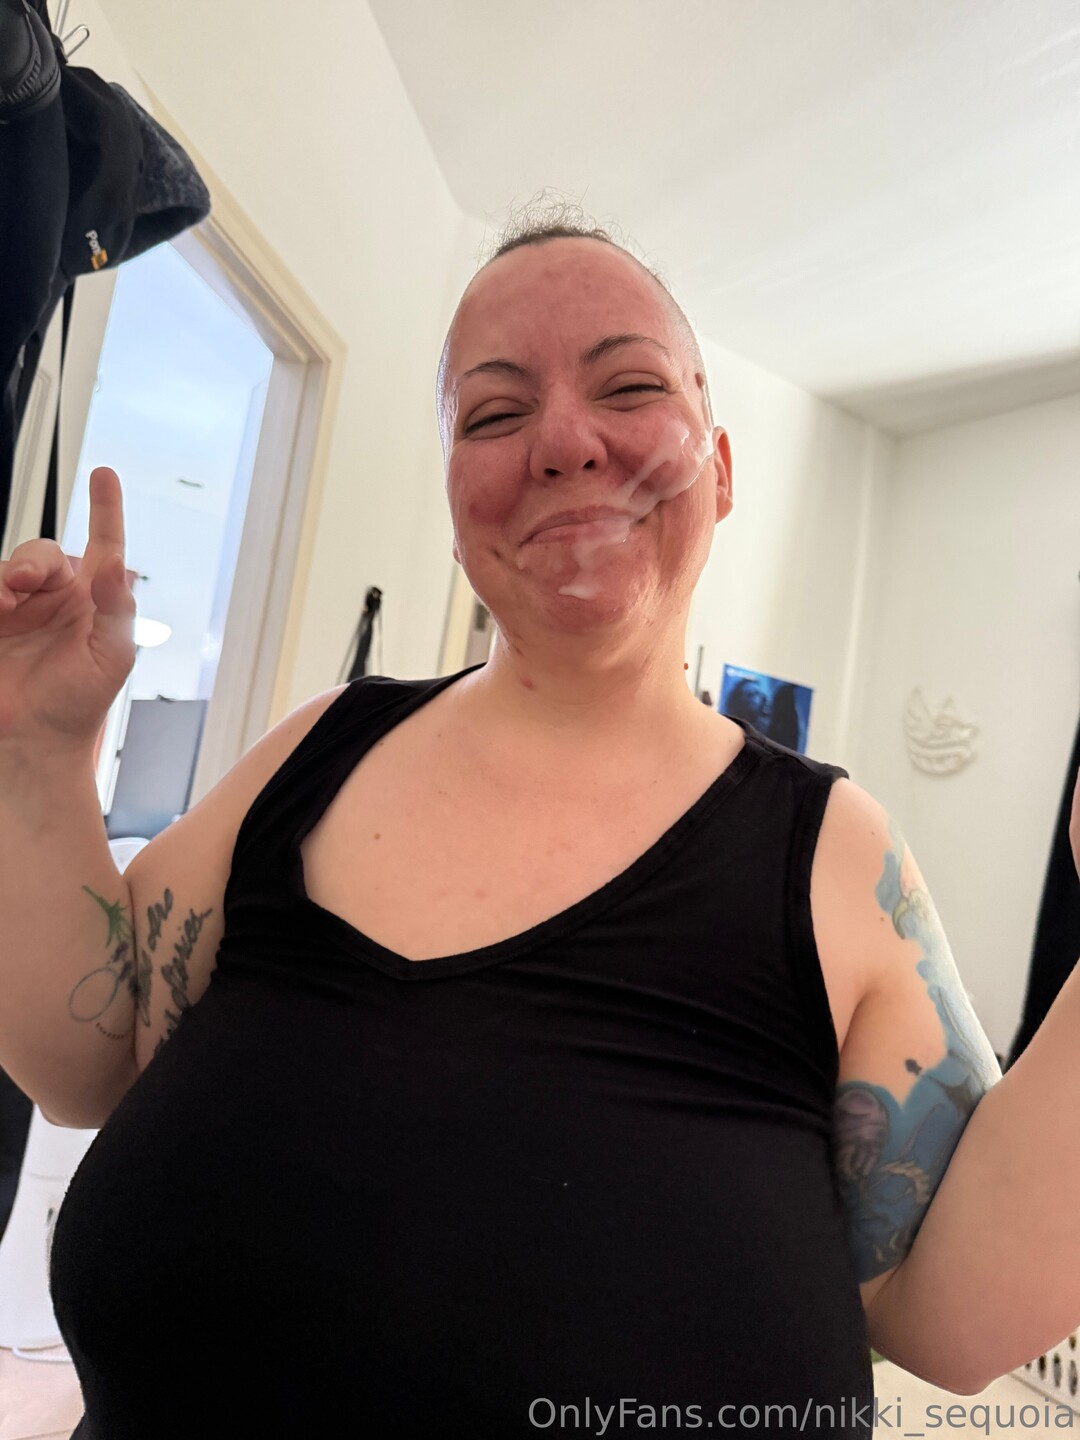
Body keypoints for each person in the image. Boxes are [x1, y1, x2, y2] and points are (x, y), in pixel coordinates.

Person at [1, 210, 1079, 1438]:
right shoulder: (316, 753)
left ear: (722, 469)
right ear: (457, 500)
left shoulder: (838, 857)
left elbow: (957, 1321)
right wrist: (38, 760)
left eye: (629, 386)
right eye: (497, 413)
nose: (565, 442)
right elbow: (83, 1059)